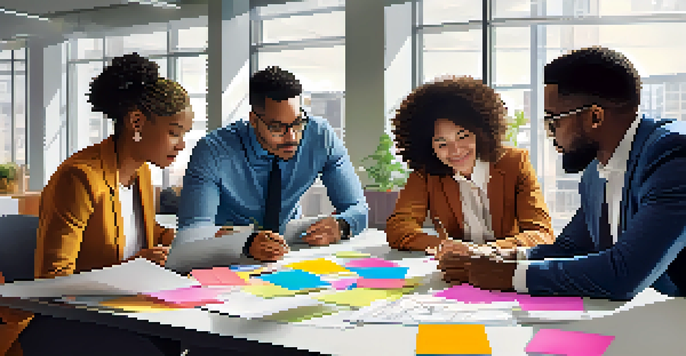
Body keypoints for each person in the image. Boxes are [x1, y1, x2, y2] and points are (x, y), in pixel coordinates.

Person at [442, 46, 686, 300]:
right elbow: (573, 247)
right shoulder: (595, 171)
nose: (550, 135)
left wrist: (509, 275)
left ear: (594, 117)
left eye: (553, 122)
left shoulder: (673, 156)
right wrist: (503, 257)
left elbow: (624, 273)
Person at [17, 53, 194, 356]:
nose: (181, 144)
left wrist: (191, 243)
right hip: (78, 323)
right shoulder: (80, 177)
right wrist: (134, 267)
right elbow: (52, 282)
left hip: (133, 312)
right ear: (136, 121)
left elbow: (144, 232)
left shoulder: (140, 172)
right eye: (174, 132)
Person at [176, 66, 367, 263]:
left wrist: (341, 225)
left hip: (289, 254)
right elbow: (192, 234)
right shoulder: (213, 150)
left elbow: (358, 208)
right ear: (253, 120)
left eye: (297, 123)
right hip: (227, 258)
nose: (291, 137)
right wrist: (247, 242)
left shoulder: (320, 137)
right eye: (277, 127)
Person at [386, 76, 555, 283]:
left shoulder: (515, 163)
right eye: (442, 144)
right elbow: (399, 228)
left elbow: (542, 234)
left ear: (481, 131)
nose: (455, 151)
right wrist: (441, 247)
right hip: (454, 275)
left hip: (504, 272)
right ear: (429, 147)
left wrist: (481, 251)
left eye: (463, 136)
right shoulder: (425, 173)